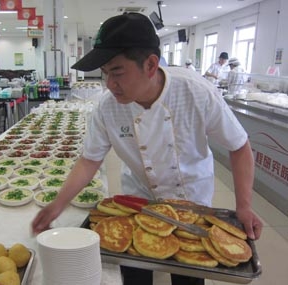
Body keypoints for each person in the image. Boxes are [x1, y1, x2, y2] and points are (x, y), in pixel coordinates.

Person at [31, 13, 263, 285]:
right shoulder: (108, 107)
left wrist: (244, 206)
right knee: (134, 270)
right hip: (139, 203)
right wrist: (57, 205)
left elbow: (239, 146)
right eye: (105, 73)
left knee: (188, 273)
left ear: (151, 65)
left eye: (117, 72)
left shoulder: (195, 92)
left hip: (193, 202)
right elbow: (89, 160)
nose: (109, 84)